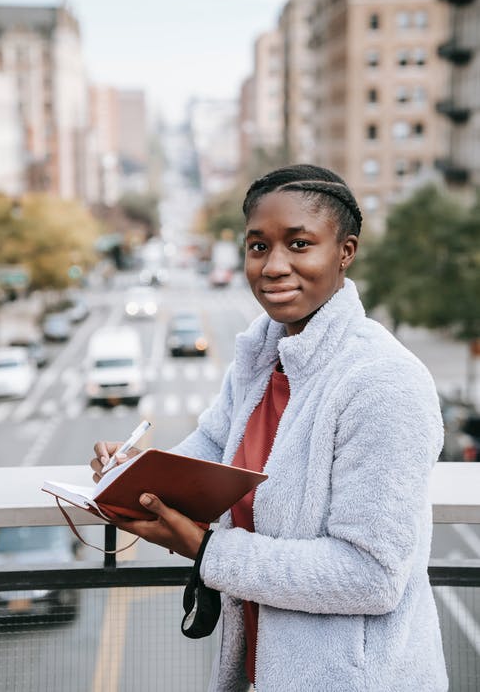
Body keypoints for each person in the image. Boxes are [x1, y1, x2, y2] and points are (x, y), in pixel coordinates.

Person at [91, 164, 448, 691]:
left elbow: (371, 577)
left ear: (345, 251)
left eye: (300, 244)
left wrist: (207, 551)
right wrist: (135, 473)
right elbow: (214, 447)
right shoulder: (263, 354)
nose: (274, 266)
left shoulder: (384, 382)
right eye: (258, 247)